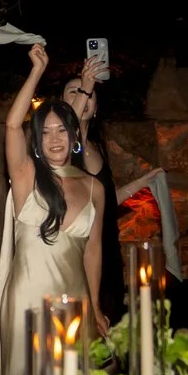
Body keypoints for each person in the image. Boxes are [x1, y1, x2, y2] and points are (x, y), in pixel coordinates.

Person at [0, 43, 107, 375]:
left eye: (62, 130)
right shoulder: (26, 176)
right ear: (37, 142)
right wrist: (37, 72)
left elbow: (93, 250)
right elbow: (12, 125)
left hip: (75, 299)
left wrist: (96, 305)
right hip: (28, 300)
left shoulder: (94, 187)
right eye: (46, 132)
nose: (55, 138)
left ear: (74, 136)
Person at [58, 54, 126, 322]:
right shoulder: (57, 150)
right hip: (74, 254)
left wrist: (142, 183)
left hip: (107, 252)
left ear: (96, 108)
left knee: (111, 329)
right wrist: (86, 85)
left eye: (87, 93)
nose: (83, 96)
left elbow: (104, 201)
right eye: (73, 92)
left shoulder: (97, 147)